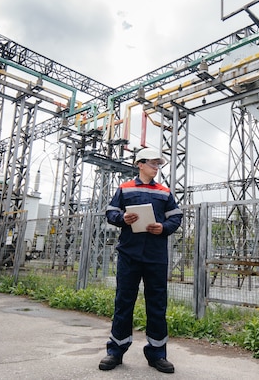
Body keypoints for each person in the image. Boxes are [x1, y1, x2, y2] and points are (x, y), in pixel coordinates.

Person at [99, 147, 183, 374]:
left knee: (157, 304)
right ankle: (115, 351)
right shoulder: (125, 189)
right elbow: (110, 212)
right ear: (140, 164)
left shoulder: (165, 192)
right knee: (123, 302)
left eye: (158, 164)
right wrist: (123, 218)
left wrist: (163, 227)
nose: (157, 168)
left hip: (156, 256)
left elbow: (176, 218)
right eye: (153, 164)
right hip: (130, 254)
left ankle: (157, 354)